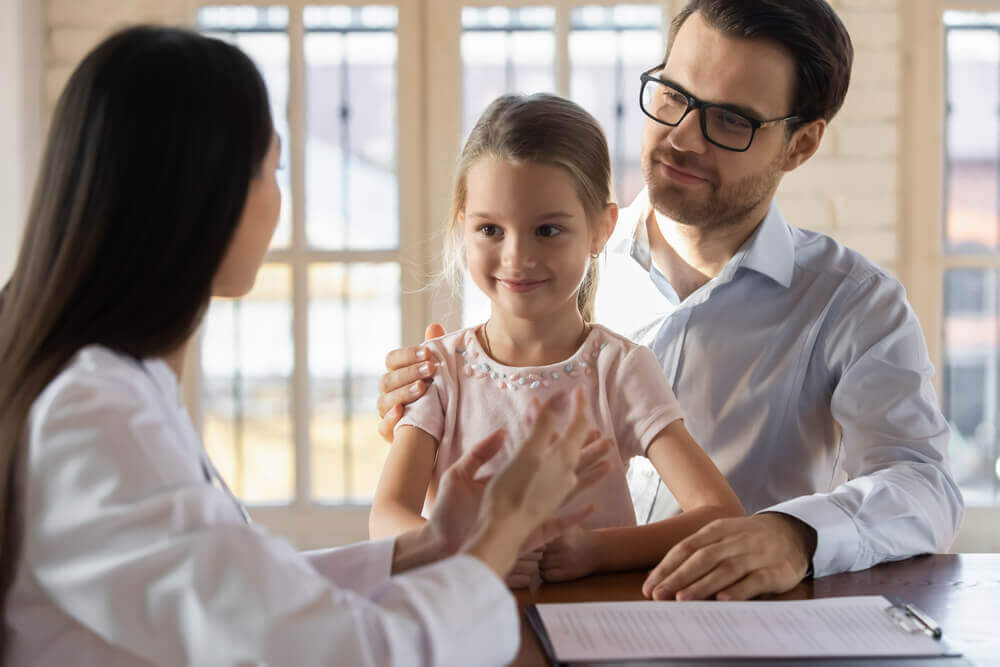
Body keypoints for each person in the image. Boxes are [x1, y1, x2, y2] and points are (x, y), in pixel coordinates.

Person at [0, 26, 613, 665]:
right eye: (273, 166)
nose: (279, 199)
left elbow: (252, 599)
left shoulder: (102, 387)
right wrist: (500, 533)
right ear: (204, 196)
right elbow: (351, 653)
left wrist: (428, 547)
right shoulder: (93, 417)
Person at [376, 0, 965, 601]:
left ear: (801, 145)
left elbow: (924, 485)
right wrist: (428, 420)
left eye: (731, 120)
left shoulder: (854, 305)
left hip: (738, 630)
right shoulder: (543, 261)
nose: (681, 138)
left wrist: (797, 535)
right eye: (672, 95)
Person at [368, 94, 743, 588]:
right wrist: (474, 553)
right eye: (490, 230)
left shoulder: (620, 368)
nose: (517, 256)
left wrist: (595, 551)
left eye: (547, 229)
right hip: (461, 632)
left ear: (600, 230)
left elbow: (720, 514)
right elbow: (385, 521)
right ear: (464, 228)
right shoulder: (439, 370)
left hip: (595, 632)